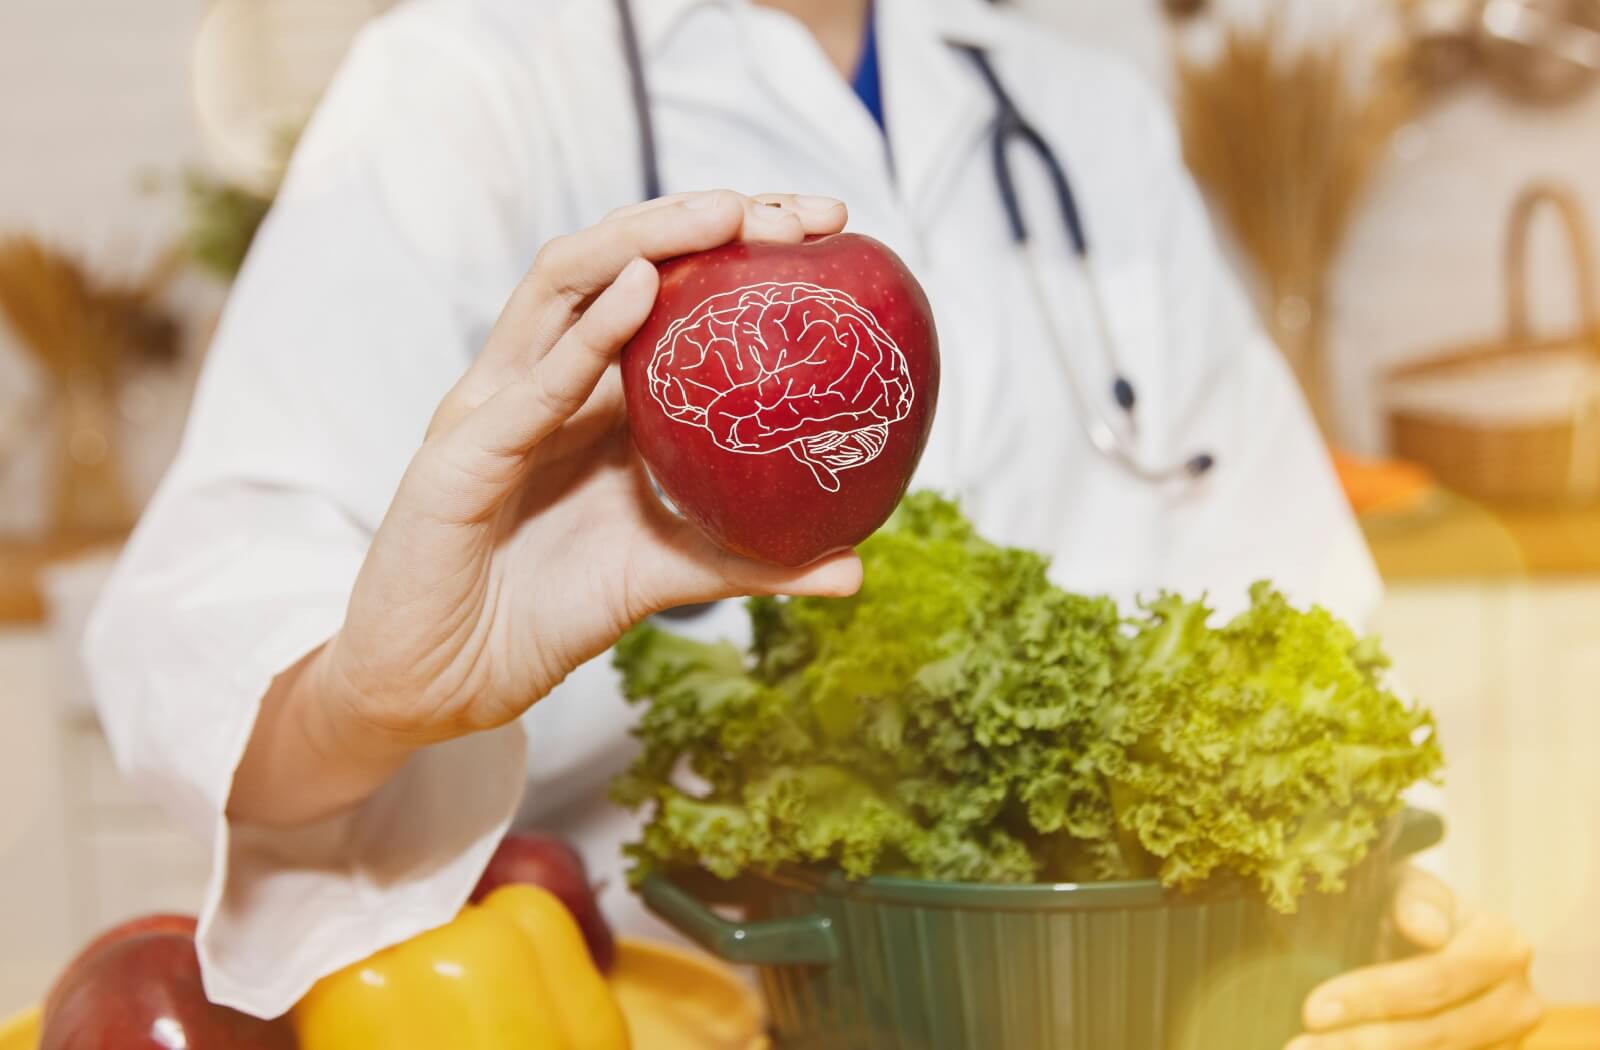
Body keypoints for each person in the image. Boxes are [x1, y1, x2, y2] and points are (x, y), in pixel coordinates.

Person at [85, 0, 1543, 1045]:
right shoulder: (468, 81)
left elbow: (1294, 622)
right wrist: (365, 691)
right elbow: (203, 610)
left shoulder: (1078, 105)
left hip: (1135, 1008)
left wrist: (1391, 929)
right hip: (654, 1007)